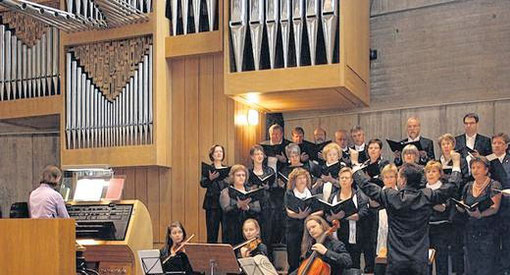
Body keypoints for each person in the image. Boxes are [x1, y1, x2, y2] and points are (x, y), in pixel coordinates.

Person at [351, 149, 461, 275]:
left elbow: (366, 186)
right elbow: (452, 186)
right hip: (419, 260)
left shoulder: (391, 196)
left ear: (402, 180)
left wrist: (355, 163)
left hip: (396, 261)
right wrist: (456, 163)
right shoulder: (427, 195)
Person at [457, 156, 502, 275]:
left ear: (486, 170)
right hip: (470, 230)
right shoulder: (468, 186)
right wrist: (460, 206)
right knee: (471, 263)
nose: (475, 170)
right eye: (472, 167)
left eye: (478, 167)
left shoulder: (494, 185)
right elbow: (464, 202)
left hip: (488, 230)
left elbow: (494, 208)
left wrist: (480, 215)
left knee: (487, 264)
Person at [325, 167, 369, 272]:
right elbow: (327, 214)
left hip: (354, 236)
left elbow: (364, 211)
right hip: (337, 236)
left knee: (353, 264)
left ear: (352, 180)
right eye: (342, 178)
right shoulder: (333, 196)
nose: (344, 180)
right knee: (338, 264)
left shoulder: (358, 195)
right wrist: (331, 218)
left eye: (347, 178)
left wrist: (347, 216)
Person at [285, 168, 322, 273]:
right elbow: (288, 211)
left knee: (307, 253)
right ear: (294, 181)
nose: (302, 180)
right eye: (299, 178)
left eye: (304, 178)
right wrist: (300, 216)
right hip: (293, 227)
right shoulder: (289, 193)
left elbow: (320, 211)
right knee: (293, 254)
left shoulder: (311, 193)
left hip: (308, 228)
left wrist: (309, 216)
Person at [424, 161, 455, 275]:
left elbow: (442, 208)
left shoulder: (444, 188)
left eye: (434, 171)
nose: (431, 174)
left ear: (440, 174)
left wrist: (427, 201)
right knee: (426, 259)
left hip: (441, 227)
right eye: (428, 171)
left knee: (441, 259)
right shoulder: (422, 189)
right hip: (425, 228)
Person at [220, 164, 261, 245]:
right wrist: (238, 206)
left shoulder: (251, 190)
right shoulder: (226, 191)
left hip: (248, 228)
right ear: (232, 177)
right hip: (232, 227)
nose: (241, 177)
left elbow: (258, 209)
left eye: (243, 175)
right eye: (238, 175)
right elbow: (225, 210)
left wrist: (248, 208)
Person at [247, 145, 275, 257]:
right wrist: (251, 188)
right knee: (253, 234)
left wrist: (269, 187)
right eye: (256, 154)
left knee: (267, 234)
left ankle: (268, 261)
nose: (259, 156)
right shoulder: (248, 172)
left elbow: (275, 187)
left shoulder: (269, 170)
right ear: (252, 157)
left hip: (267, 205)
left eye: (261, 154)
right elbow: (245, 188)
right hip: (254, 206)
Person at [487, 133, 510, 274]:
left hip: (508, 205)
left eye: (500, 143)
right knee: (493, 240)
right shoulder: (488, 160)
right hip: (492, 203)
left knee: (507, 240)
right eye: (494, 143)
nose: (496, 145)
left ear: (507, 146)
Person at [200, 144, 229, 243]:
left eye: (221, 151)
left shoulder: (227, 170)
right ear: (212, 155)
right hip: (212, 204)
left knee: (226, 232)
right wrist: (210, 179)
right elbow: (202, 183)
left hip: (225, 204)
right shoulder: (208, 168)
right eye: (216, 151)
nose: (219, 153)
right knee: (212, 232)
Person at [373, 164, 398, 275]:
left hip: (397, 238)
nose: (389, 180)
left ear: (397, 178)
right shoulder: (378, 195)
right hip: (380, 239)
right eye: (386, 177)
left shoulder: (401, 195)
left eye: (391, 177)